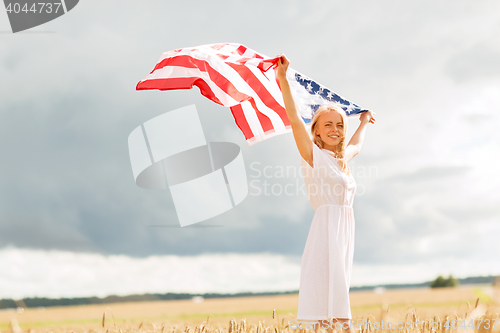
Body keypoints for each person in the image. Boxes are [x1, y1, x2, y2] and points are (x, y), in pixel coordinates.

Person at [276, 54, 375, 333]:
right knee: (328, 298)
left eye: (339, 125)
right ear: (316, 131)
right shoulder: (313, 156)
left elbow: (356, 145)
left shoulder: (342, 161)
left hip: (344, 231)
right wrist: (283, 80)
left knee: (337, 294)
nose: (335, 129)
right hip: (326, 231)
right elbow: (295, 121)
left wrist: (363, 122)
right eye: (328, 124)